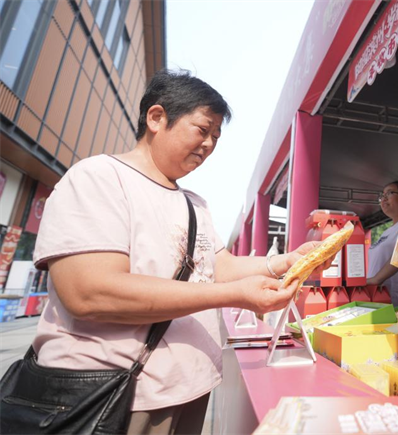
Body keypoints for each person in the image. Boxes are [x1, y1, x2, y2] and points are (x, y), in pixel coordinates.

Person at [31, 70, 326, 435]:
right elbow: (88, 292)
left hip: (190, 388)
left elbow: (218, 266)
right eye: (203, 129)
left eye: (216, 136)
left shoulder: (193, 203)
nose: (209, 145)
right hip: (114, 394)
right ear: (156, 118)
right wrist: (234, 295)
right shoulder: (98, 177)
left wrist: (286, 261)